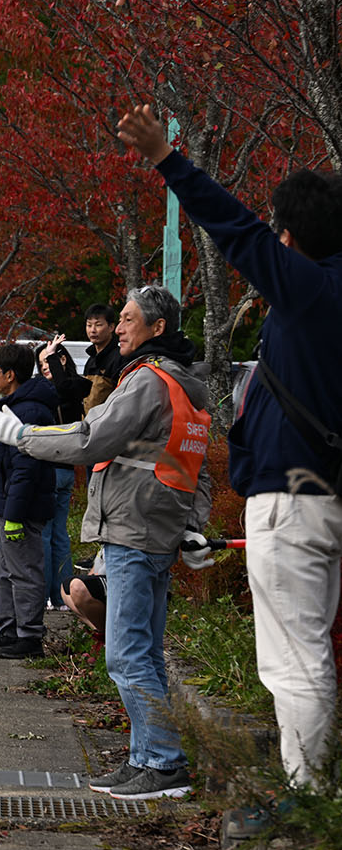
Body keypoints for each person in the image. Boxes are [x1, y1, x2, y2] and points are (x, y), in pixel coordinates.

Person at [119, 102, 342, 791]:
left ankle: (309, 800)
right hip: (329, 495)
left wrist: (167, 158)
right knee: (320, 649)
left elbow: (234, 229)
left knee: (295, 658)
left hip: (293, 502)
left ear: (290, 238)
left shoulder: (309, 291)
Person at [0, 283, 213, 800]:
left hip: (133, 528)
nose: (118, 327)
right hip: (158, 529)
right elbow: (196, 466)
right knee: (143, 651)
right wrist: (194, 524)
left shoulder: (146, 381)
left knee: (126, 653)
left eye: (127, 319)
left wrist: (21, 436)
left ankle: (163, 764)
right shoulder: (186, 385)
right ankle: (147, 758)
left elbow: (90, 438)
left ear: (157, 328)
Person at [0, 343, 59, 659]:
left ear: (10, 375)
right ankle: (9, 631)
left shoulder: (29, 411)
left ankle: (30, 636)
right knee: (5, 572)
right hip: (6, 505)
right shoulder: (15, 406)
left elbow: (25, 470)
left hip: (20, 508)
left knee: (24, 572)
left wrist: (14, 514)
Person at [39, 336, 93, 610]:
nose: (45, 369)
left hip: (52, 469)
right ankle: (60, 596)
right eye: (41, 364)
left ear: (62, 360)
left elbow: (60, 385)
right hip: (67, 470)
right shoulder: (77, 387)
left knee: (47, 534)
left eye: (49, 362)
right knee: (59, 534)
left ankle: (49, 596)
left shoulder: (59, 390)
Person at [82, 304, 124, 409]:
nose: (93, 330)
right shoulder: (90, 360)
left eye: (98, 325)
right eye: (89, 325)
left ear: (111, 327)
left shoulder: (120, 358)